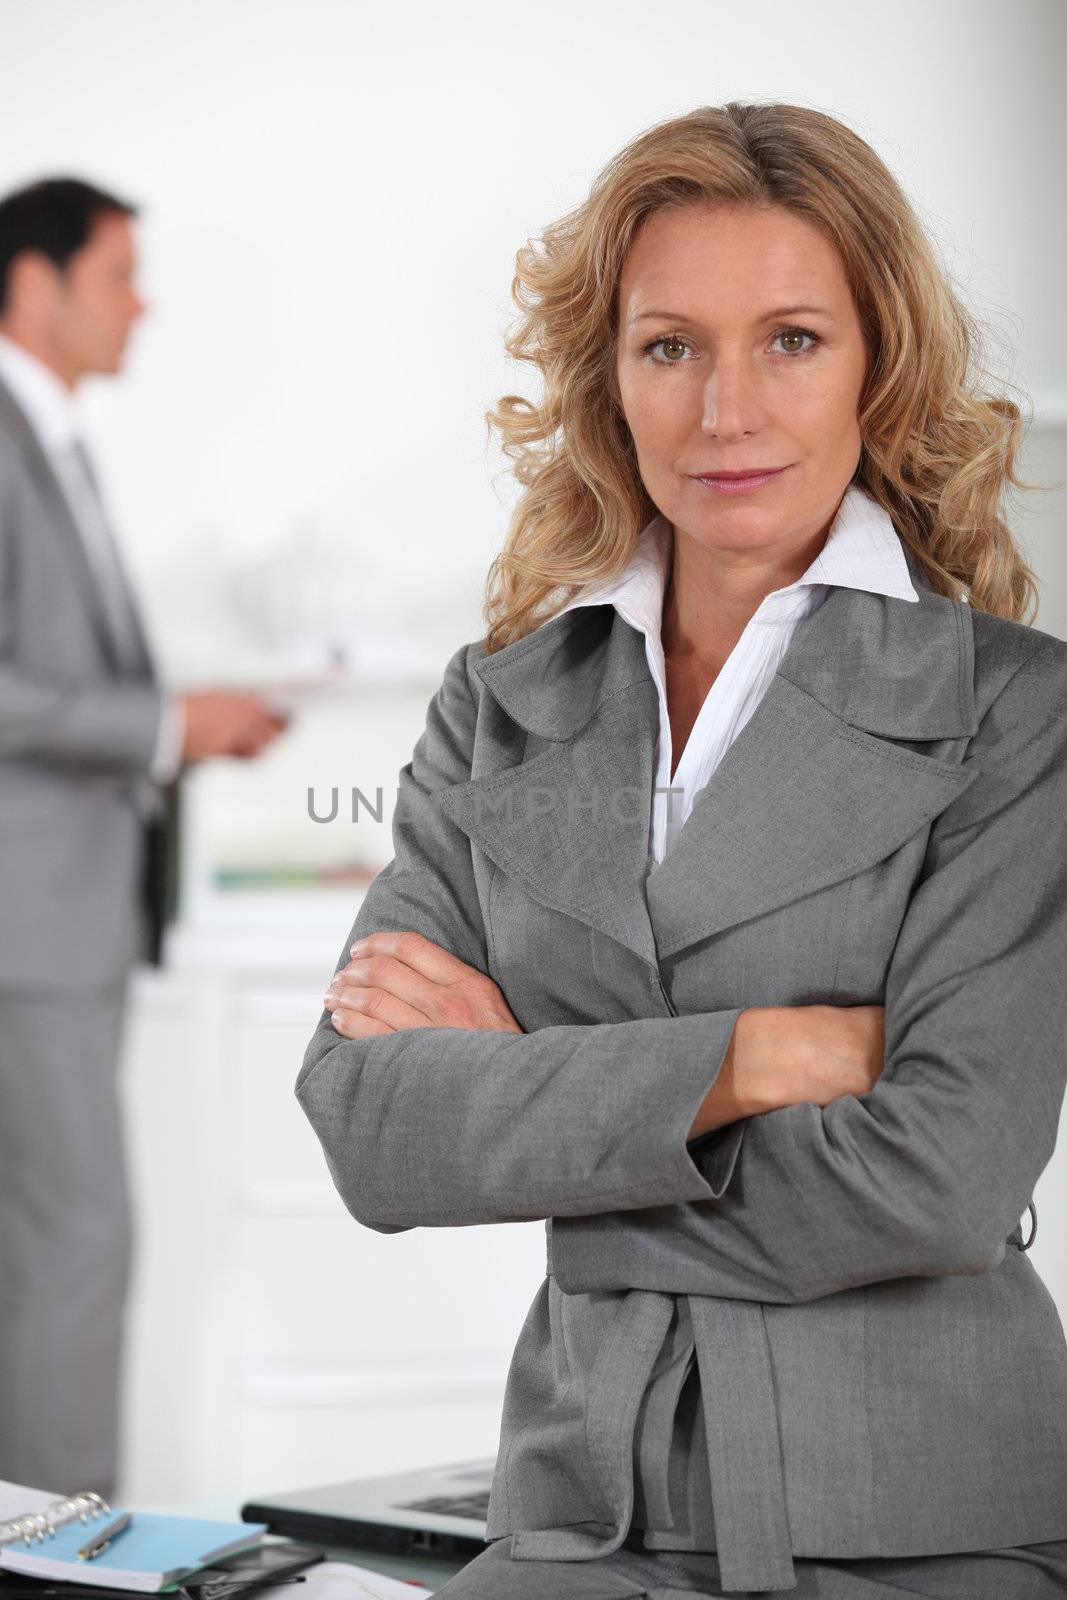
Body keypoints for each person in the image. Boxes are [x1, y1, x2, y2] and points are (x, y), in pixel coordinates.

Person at [295, 103, 1067, 1598]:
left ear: (877, 365)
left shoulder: (1016, 713)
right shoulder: (507, 705)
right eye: (669, 346)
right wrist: (748, 1060)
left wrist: (543, 1113)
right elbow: (373, 1127)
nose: (727, 411)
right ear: (610, 377)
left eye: (790, 339)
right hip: (582, 1506)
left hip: (929, 1510)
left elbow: (942, 1183)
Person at [0, 176, 286, 1498]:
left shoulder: (50, 440)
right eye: (119, 275)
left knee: (50, 1247)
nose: (142, 303)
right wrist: (172, 723)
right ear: (33, 284)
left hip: (63, 918)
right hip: (29, 929)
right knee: (76, 1245)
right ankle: (57, 1557)